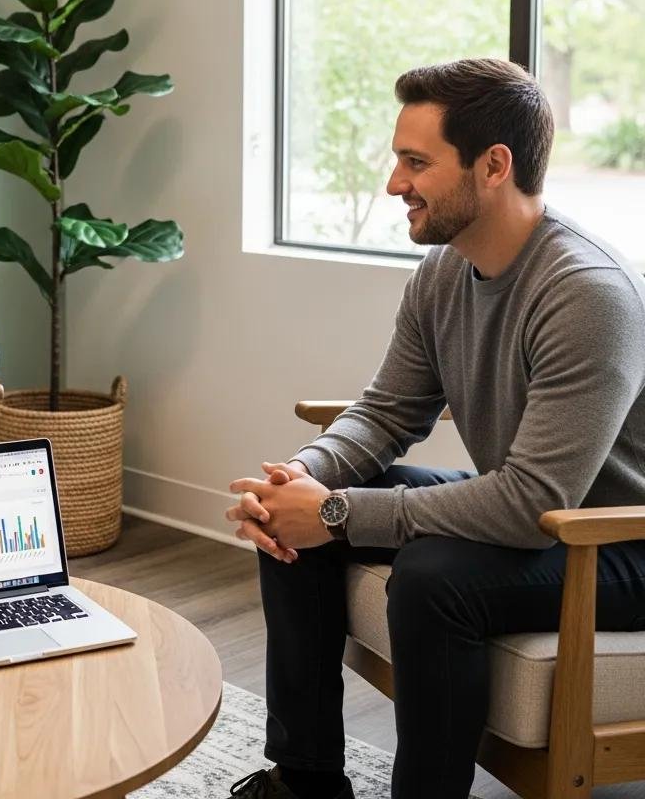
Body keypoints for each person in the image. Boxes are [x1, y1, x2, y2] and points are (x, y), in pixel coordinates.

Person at [225, 58, 645, 799]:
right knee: (294, 517)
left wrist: (336, 510)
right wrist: (304, 478)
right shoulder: (444, 272)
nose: (395, 183)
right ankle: (306, 781)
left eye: (416, 162)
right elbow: (386, 412)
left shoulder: (588, 295)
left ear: (494, 166)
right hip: (540, 510)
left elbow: (530, 501)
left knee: (431, 578)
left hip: (617, 539)